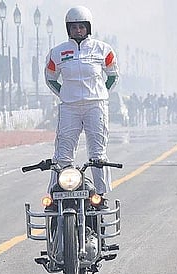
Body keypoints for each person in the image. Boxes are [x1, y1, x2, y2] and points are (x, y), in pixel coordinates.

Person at [44, 6, 119, 208]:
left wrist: (101, 94)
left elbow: (113, 75)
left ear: (88, 27)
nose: (78, 30)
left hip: (96, 106)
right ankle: (55, 195)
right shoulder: (57, 53)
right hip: (70, 107)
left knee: (97, 154)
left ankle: (101, 196)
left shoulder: (103, 50)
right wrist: (65, 94)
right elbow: (50, 78)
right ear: (68, 29)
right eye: (74, 27)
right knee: (62, 153)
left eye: (81, 27)